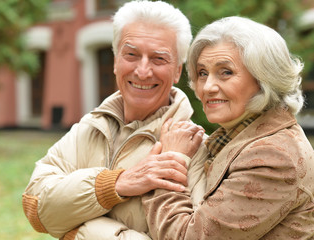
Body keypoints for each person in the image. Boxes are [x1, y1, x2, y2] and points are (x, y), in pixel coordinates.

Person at [22, 1, 207, 239]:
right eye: (131, 54)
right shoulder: (90, 127)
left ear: (178, 71)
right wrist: (115, 185)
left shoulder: (195, 149)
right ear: (115, 61)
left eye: (158, 59)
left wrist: (79, 233)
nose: (142, 71)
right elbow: (35, 209)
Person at [142, 16, 314, 239]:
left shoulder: (273, 156)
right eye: (203, 73)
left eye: (226, 72)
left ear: (264, 79)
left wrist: (170, 162)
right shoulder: (239, 136)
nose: (208, 87)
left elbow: (187, 236)